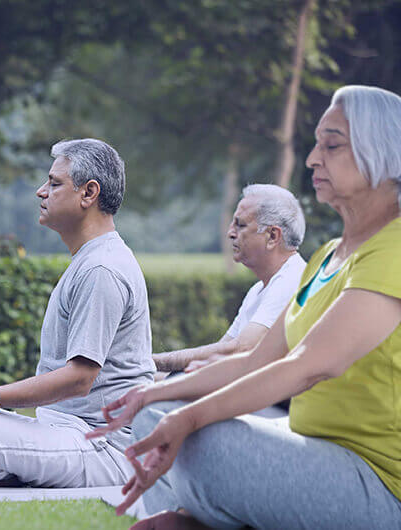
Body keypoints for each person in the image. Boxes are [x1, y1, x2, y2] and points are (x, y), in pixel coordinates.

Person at [87, 85, 401, 529]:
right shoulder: (329, 255)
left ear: (383, 154)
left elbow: (312, 366)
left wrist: (189, 416)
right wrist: (152, 392)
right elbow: (255, 360)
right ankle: (188, 517)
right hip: (315, 451)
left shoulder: (395, 249)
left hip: (380, 483)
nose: (313, 159)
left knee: (200, 440)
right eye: (315, 145)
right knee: (155, 415)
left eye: (331, 145)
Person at [0, 138, 155, 488]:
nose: (42, 192)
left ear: (89, 193)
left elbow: (80, 378)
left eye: (55, 184)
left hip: (106, 447)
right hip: (68, 431)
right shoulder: (90, 260)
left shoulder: (102, 268)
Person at [154, 184, 306, 376]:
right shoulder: (258, 289)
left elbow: (240, 350)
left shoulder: (292, 280)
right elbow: (218, 354)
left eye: (240, 225)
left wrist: (152, 362)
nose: (230, 233)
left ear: (272, 236)